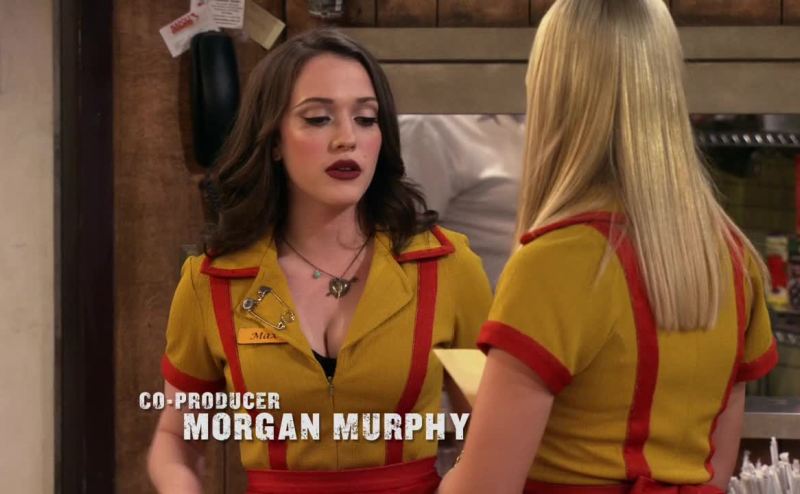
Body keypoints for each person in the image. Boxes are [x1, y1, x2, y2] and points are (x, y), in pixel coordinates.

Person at [439, 1, 778, 493]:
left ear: (553, 89)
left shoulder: (555, 262)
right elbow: (716, 467)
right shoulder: (732, 257)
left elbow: (484, 488)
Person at [147, 29, 492, 494]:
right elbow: (176, 438)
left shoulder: (446, 266)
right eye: (318, 119)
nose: (347, 139)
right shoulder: (212, 280)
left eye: (366, 119)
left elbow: (490, 431)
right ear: (274, 139)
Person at [399, 114, 525, 287]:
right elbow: (402, 239)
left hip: (532, 294)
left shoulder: (524, 120)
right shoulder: (428, 126)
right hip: (475, 298)